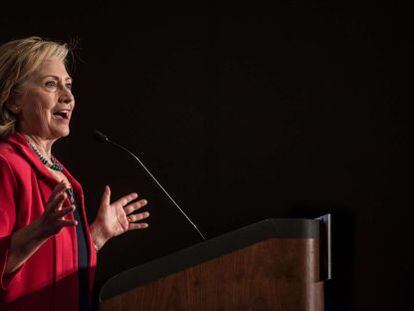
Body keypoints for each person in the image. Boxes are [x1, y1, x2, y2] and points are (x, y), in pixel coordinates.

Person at [0, 37, 150, 310]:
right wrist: (38, 232)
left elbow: (54, 272)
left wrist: (95, 237)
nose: (67, 96)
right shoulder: (6, 164)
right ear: (13, 100)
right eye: (50, 84)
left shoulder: (60, 172)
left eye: (68, 85)